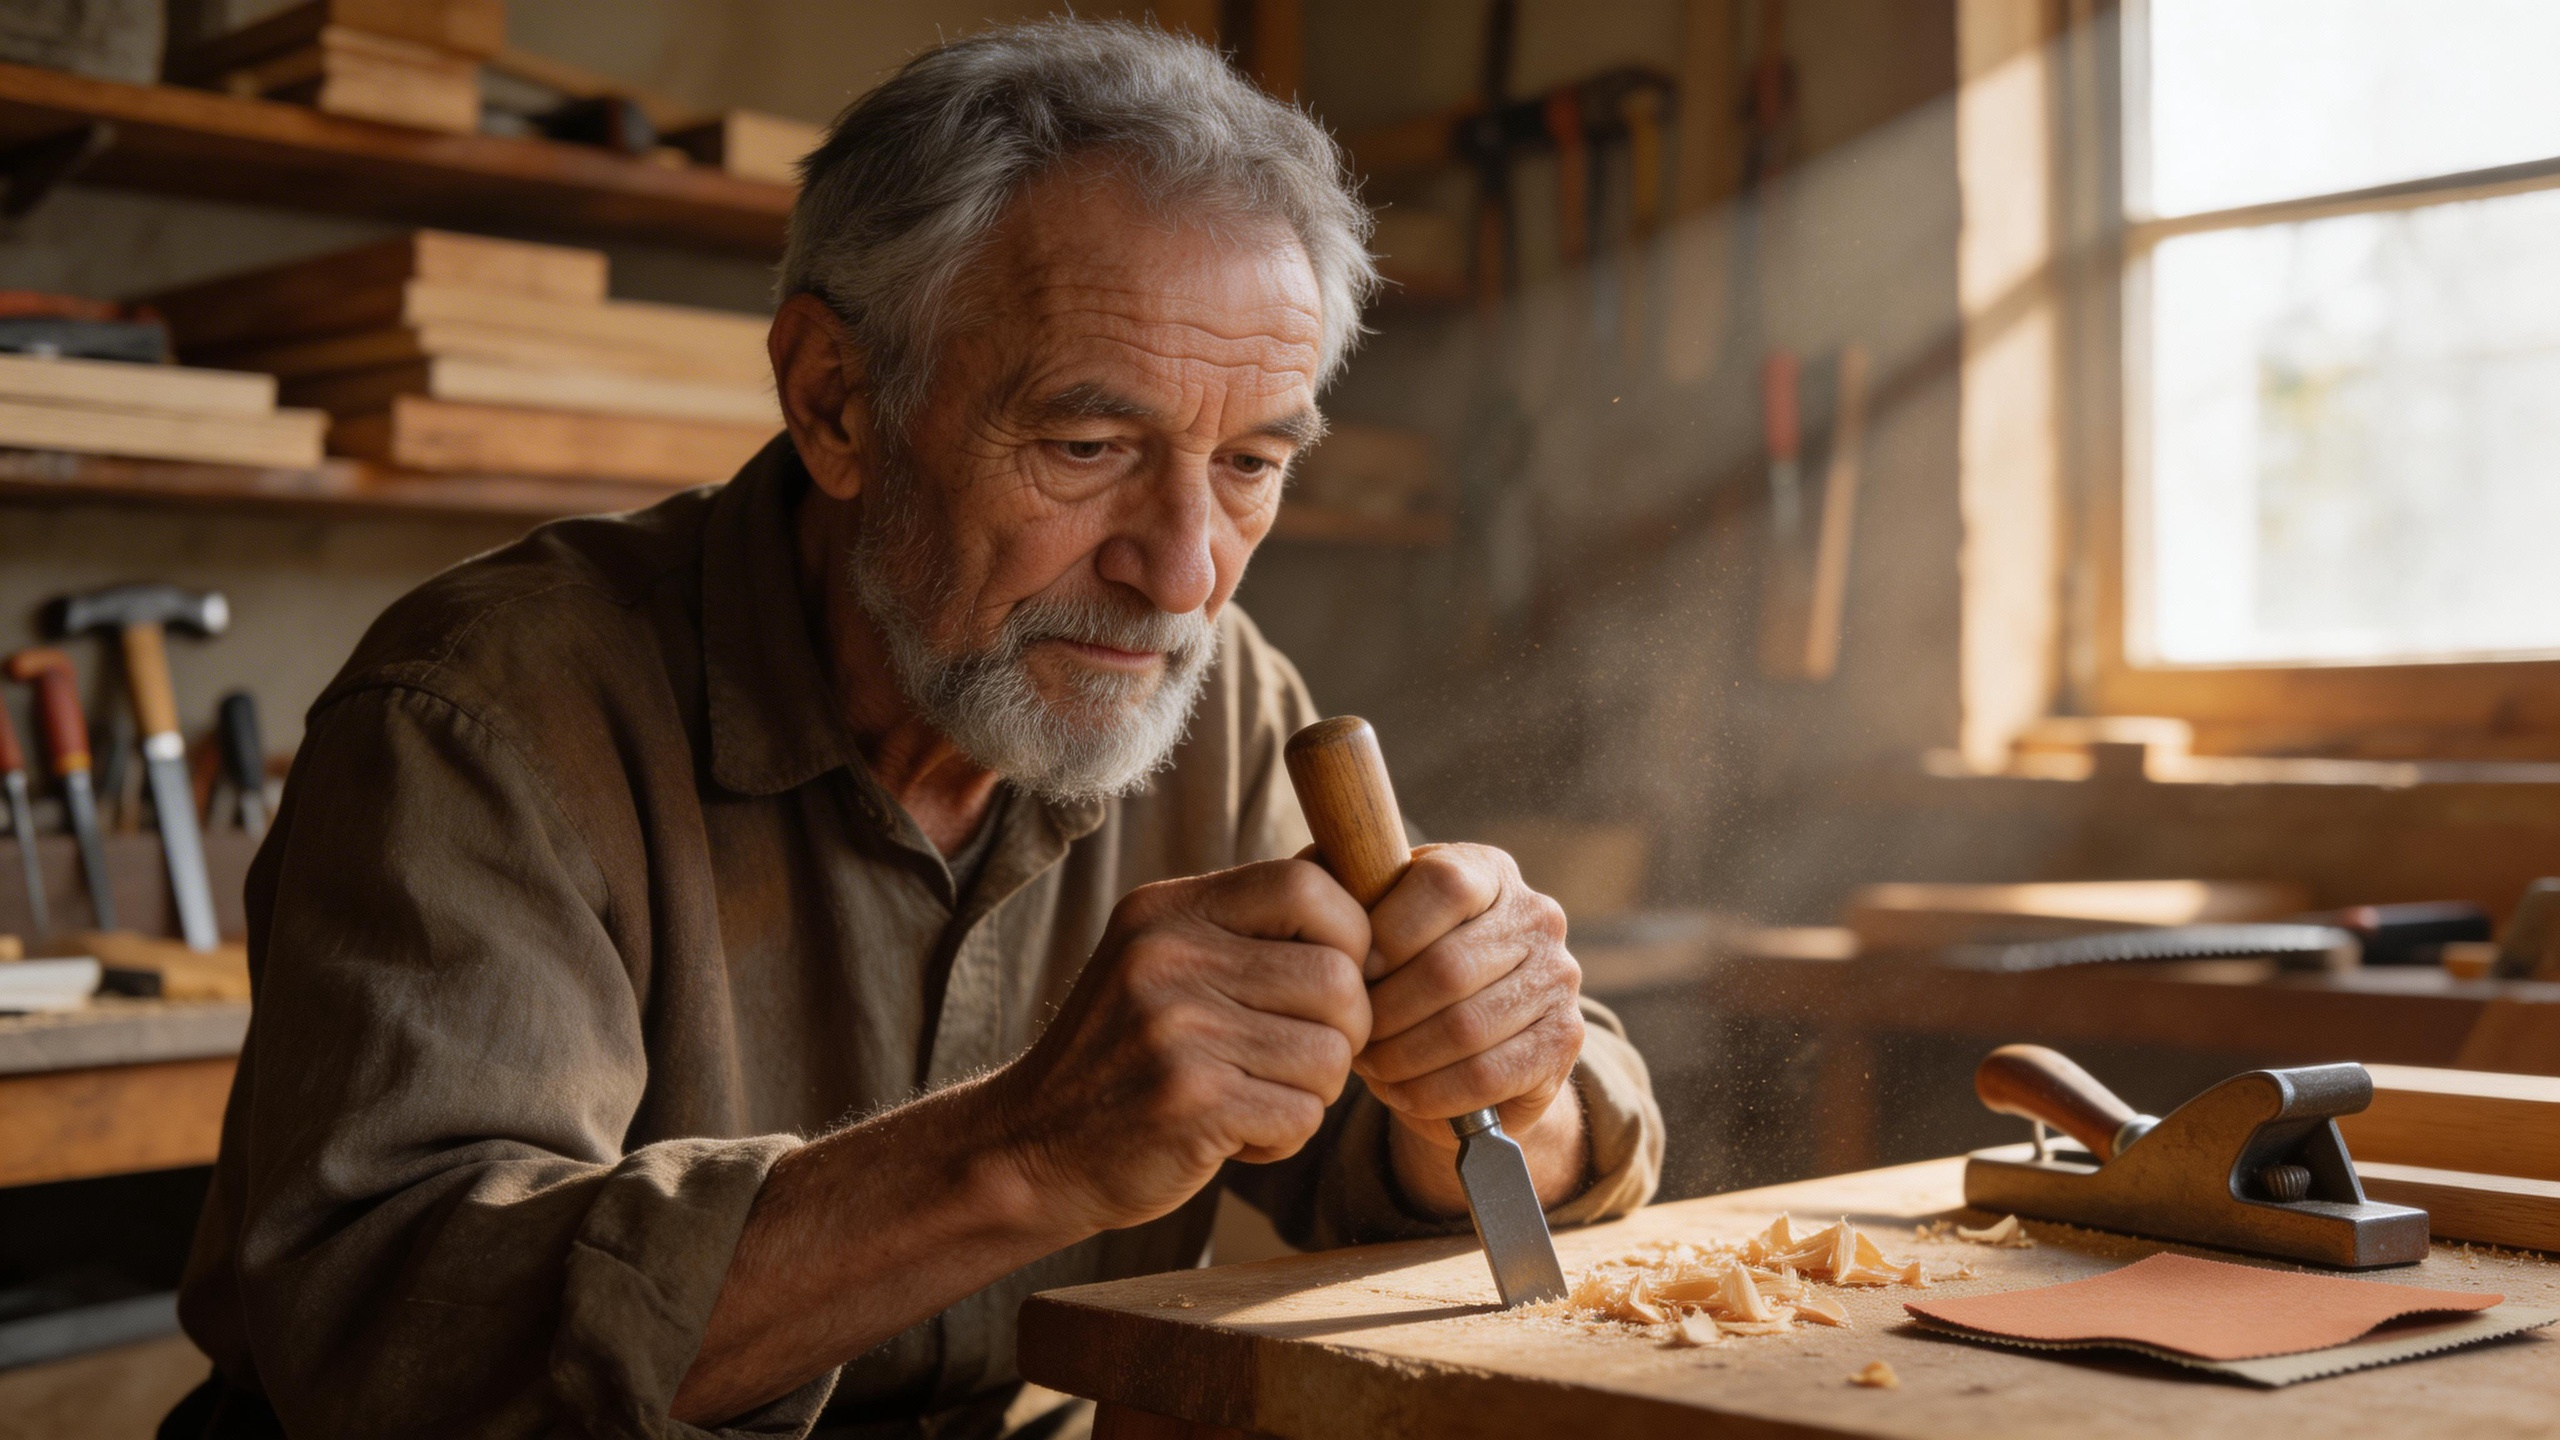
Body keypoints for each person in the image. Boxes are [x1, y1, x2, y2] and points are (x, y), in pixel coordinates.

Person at [163, 19, 1662, 1439]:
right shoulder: (479, 719)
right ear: (836, 404)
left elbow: (1503, 1149)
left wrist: (1502, 1075)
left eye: (1253, 463)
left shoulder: (1208, 695)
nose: (1186, 570)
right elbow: (395, 1345)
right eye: (1086, 447)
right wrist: (1020, 1150)